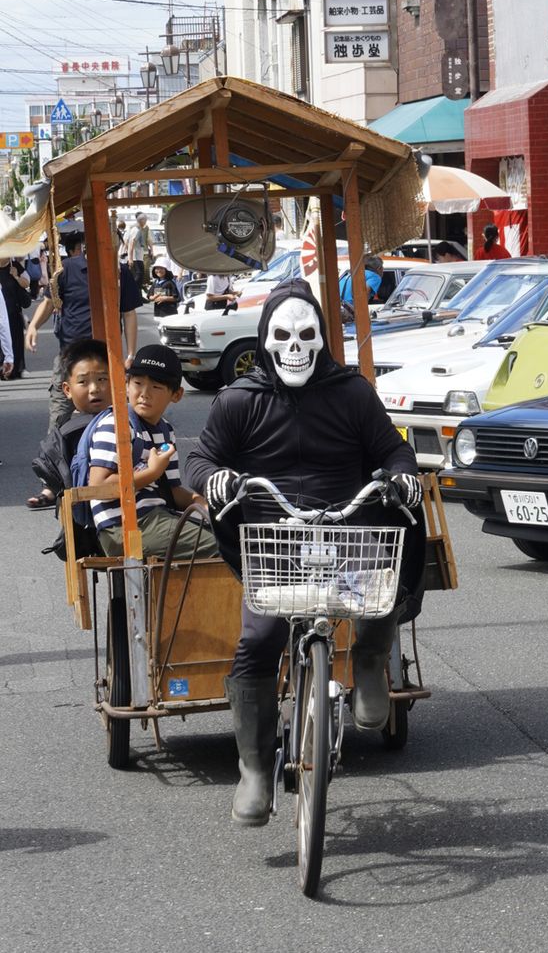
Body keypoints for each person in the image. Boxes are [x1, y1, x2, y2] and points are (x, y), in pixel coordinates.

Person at [184, 279, 425, 827]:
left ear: (322, 338)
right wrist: (215, 478)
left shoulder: (353, 392)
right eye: (283, 335)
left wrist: (402, 476)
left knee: (382, 578)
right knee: (260, 637)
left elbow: (393, 450)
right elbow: (198, 460)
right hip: (273, 539)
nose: (295, 347)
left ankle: (369, 660)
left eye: (307, 335)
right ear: (266, 340)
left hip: (346, 527)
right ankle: (253, 770)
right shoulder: (238, 399)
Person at [87, 343, 217, 559]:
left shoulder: (166, 431)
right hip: (123, 526)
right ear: (126, 385)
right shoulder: (116, 425)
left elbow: (173, 491)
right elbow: (99, 485)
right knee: (222, 545)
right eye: (137, 383)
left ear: (176, 395)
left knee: (230, 533)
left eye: (156, 387)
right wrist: (151, 473)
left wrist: (201, 502)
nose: (144, 394)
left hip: (157, 518)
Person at [25, 227, 141, 431]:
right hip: (70, 354)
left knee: (108, 416)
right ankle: (55, 458)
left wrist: (130, 353)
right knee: (60, 415)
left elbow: (129, 313)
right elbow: (49, 302)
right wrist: (33, 326)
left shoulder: (120, 272)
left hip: (105, 356)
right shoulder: (67, 269)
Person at [28, 338, 111, 511]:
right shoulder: (69, 435)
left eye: (102, 379)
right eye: (83, 382)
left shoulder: (130, 422)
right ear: (67, 390)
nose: (94, 388)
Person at [0, 256, 31, 378]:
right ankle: (3, 368)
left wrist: (16, 276)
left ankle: (19, 368)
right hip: (2, 312)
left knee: (16, 340)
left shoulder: (15, 266)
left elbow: (26, 283)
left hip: (13, 311)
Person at [126, 212, 151, 288]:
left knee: (140, 275)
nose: (145, 222)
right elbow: (131, 244)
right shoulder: (136, 230)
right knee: (139, 275)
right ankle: (134, 292)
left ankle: (138, 295)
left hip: (138, 256)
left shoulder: (138, 229)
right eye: (145, 220)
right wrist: (130, 258)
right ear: (141, 220)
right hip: (135, 257)